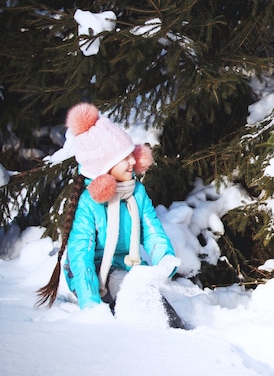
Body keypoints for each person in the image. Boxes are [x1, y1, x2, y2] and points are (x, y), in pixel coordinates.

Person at [36, 102, 181, 316]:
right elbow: (80, 255)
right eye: (124, 158)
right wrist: (91, 303)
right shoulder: (89, 202)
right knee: (138, 295)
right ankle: (164, 332)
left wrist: (164, 258)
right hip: (92, 274)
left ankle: (174, 331)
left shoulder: (136, 192)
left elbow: (152, 231)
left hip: (126, 269)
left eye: (132, 154)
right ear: (104, 165)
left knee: (146, 295)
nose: (132, 161)